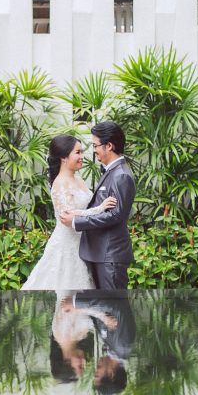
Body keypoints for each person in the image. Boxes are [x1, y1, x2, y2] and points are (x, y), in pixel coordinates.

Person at [21, 135, 117, 290]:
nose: (82, 156)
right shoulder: (60, 183)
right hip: (67, 245)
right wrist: (100, 209)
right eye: (78, 152)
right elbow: (68, 217)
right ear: (64, 158)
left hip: (83, 244)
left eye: (82, 152)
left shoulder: (78, 179)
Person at [59, 121, 136, 290]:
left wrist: (76, 222)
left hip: (110, 256)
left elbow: (115, 215)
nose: (93, 150)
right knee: (103, 305)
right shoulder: (112, 172)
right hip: (101, 254)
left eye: (95, 145)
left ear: (109, 146)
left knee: (113, 304)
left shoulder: (121, 175)